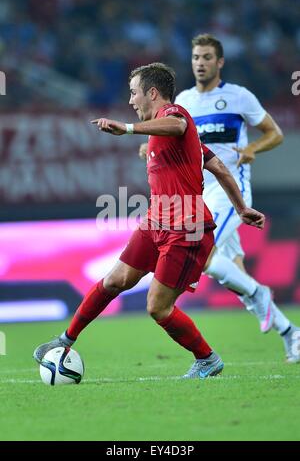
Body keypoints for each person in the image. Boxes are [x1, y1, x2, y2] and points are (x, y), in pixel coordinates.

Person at [33, 62, 266, 379]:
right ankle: (64, 340)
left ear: (152, 93)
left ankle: (207, 359)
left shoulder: (175, 114)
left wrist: (128, 129)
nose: (131, 101)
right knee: (114, 280)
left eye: (134, 93)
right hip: (156, 220)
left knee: (157, 307)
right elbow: (220, 169)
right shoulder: (169, 133)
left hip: (187, 226)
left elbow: (177, 126)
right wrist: (241, 208)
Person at [140, 34, 299, 363]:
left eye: (207, 57)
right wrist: (149, 144)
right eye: (196, 57)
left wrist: (252, 149)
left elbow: (275, 133)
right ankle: (290, 333)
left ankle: (261, 296)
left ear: (220, 62)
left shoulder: (239, 97)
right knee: (230, 271)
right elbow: (170, 136)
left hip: (229, 190)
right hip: (197, 192)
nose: (200, 62)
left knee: (207, 256)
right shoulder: (184, 100)